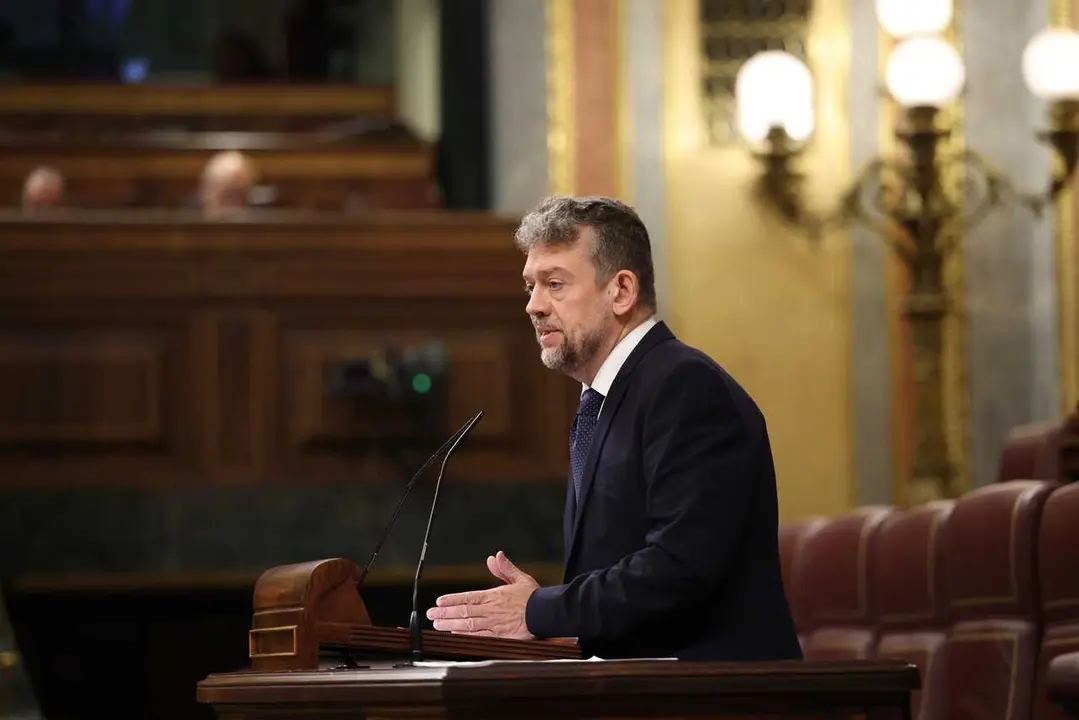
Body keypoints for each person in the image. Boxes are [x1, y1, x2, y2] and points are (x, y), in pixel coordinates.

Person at [425, 195, 802, 661]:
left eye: (555, 284)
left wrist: (540, 610)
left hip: (717, 697)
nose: (534, 307)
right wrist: (553, 623)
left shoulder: (685, 387)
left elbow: (680, 567)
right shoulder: (604, 400)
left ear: (621, 291)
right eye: (530, 287)